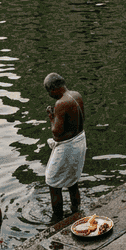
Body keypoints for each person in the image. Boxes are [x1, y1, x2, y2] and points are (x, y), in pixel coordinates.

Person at [43, 73, 86, 220]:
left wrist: (51, 117)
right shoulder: (76, 95)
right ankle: (76, 210)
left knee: (52, 182)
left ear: (54, 88)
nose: (49, 95)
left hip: (68, 145)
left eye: (49, 91)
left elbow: (57, 132)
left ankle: (57, 218)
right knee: (72, 181)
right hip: (80, 139)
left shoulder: (61, 103)